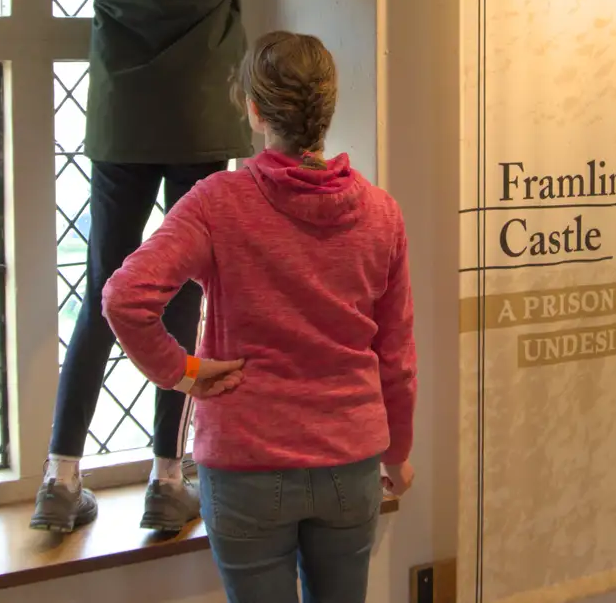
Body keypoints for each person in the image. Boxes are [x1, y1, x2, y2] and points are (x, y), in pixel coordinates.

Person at [32, 0, 299, 535]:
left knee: (104, 290)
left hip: (120, 117)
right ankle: (167, 478)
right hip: (194, 118)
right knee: (180, 289)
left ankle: (60, 480)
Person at [103, 32, 417, 603]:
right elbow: (396, 358)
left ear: (254, 110)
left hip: (246, 460)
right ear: (327, 107)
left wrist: (184, 372)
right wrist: (398, 451)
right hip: (350, 459)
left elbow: (126, 297)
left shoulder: (217, 204)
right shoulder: (381, 214)